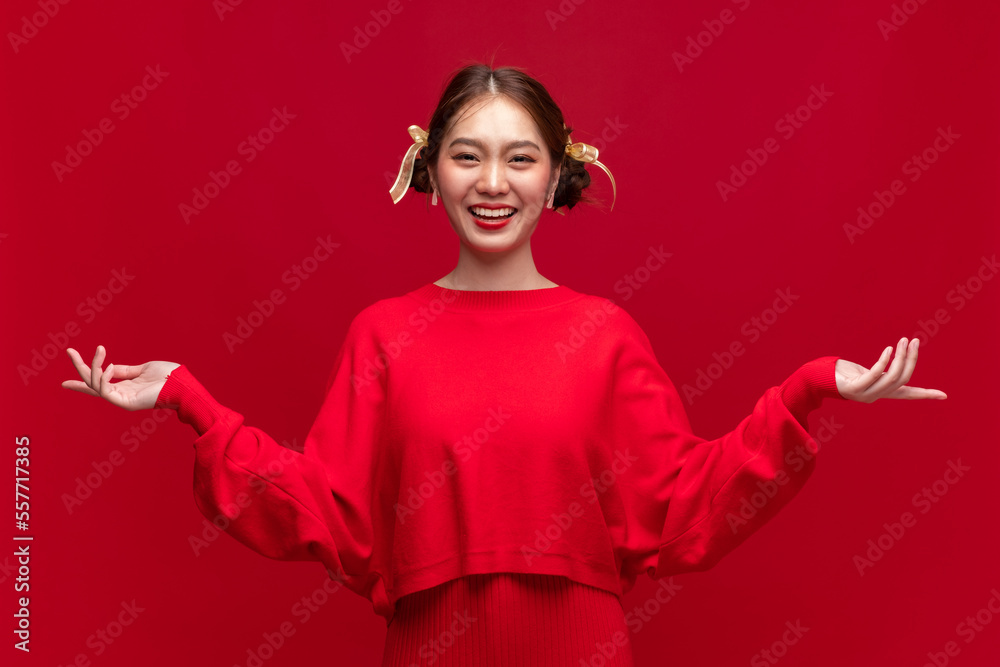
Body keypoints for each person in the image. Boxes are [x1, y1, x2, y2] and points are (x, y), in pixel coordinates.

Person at [61, 63, 947, 666]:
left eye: (520, 157)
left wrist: (809, 389)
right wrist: (189, 400)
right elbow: (326, 509)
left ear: (557, 173)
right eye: (467, 155)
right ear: (428, 171)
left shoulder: (603, 332)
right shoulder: (383, 333)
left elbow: (683, 504)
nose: (494, 181)